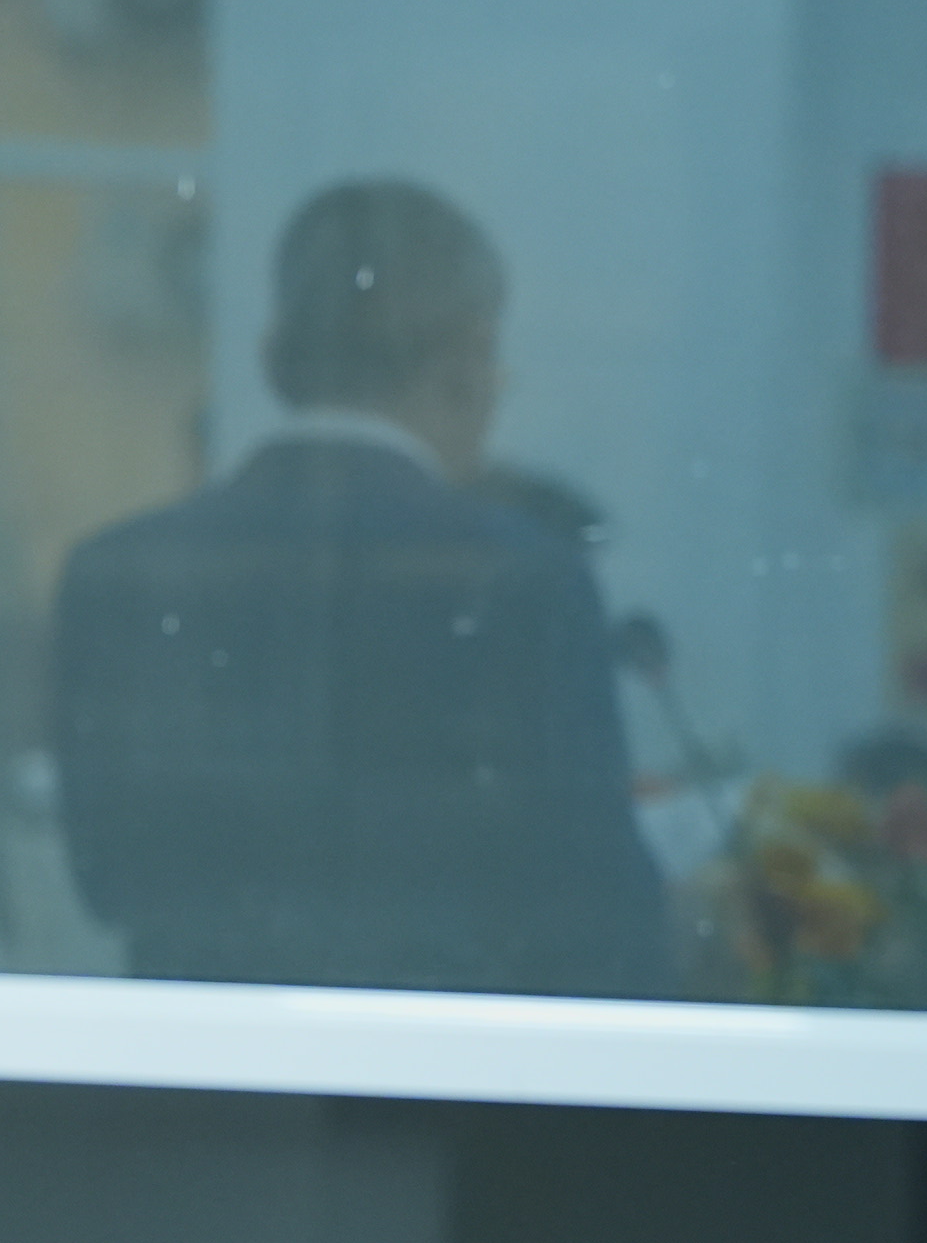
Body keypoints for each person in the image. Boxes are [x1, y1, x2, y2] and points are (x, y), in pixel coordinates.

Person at [47, 179, 670, 996]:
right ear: (470, 360)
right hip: (443, 1058)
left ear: (275, 356)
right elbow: (598, 913)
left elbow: (109, 881)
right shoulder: (525, 579)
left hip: (203, 1052)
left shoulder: (115, 571)